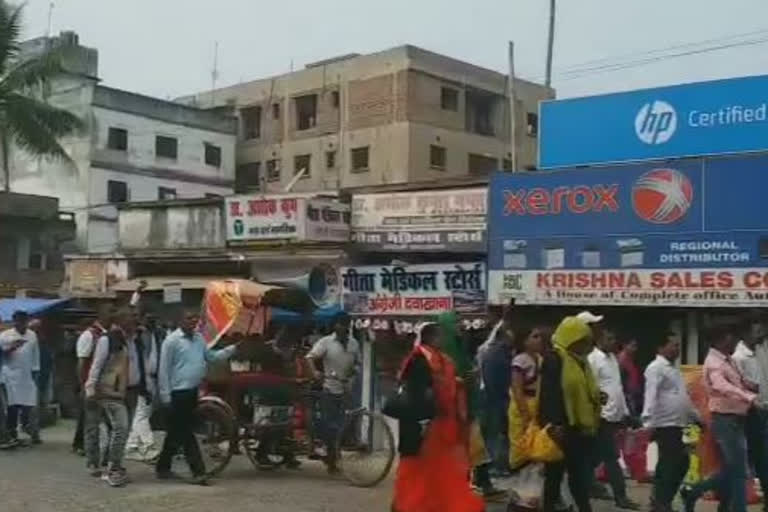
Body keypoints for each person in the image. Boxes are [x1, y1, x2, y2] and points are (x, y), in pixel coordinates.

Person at [391, 322, 485, 512]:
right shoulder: (423, 359)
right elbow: (417, 392)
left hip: (436, 426)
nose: (443, 339)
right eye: (439, 335)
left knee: (433, 470)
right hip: (429, 426)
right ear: (431, 337)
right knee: (427, 469)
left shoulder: (436, 359)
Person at [682, 325, 760, 512]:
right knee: (739, 472)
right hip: (726, 420)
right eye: (733, 337)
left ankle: (694, 492)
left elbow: (736, 382)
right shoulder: (714, 363)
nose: (736, 341)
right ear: (723, 339)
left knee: (731, 470)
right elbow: (722, 386)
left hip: (737, 419)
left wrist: (749, 386)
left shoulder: (728, 360)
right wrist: (749, 397)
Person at [156, 311, 238, 484]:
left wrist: (233, 349)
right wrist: (165, 396)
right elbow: (163, 370)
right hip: (177, 392)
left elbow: (213, 358)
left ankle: (163, 467)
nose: (193, 321)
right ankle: (198, 471)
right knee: (186, 433)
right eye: (189, 318)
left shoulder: (199, 339)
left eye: (195, 318)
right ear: (180, 321)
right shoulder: (171, 341)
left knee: (176, 431)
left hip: (193, 391)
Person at [439, 311, 503, 499]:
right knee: (460, 449)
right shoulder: (442, 350)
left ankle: (481, 482)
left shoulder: (460, 346)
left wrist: (471, 375)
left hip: (468, 404)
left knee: (476, 447)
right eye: (456, 322)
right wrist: (460, 379)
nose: (461, 326)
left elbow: (466, 368)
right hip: (452, 408)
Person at [539, 316, 600, 512]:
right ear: (572, 339)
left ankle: (584, 508)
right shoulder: (554, 359)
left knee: (578, 476)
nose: (586, 345)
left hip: (578, 428)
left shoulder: (582, 362)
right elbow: (549, 395)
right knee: (554, 477)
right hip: (560, 428)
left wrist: (597, 399)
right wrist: (553, 425)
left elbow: (582, 391)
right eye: (582, 341)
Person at [642, 332, 698, 512]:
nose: (677, 349)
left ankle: (660, 500)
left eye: (678, 345)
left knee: (674, 463)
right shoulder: (655, 367)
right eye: (673, 345)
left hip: (677, 423)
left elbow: (683, 398)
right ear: (661, 348)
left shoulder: (673, 369)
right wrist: (647, 422)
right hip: (665, 424)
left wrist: (697, 418)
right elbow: (650, 395)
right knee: (673, 463)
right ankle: (661, 502)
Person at [587, 327, 641, 510]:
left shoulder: (612, 359)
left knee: (595, 457)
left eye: (613, 338)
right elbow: (591, 389)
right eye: (609, 338)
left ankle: (589, 485)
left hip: (615, 415)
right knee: (611, 457)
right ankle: (621, 496)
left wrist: (625, 413)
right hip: (601, 416)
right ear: (599, 339)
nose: (613, 342)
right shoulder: (593, 359)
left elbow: (617, 388)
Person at [306, 313, 360, 474]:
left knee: (344, 423)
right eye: (341, 324)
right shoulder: (326, 342)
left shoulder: (354, 344)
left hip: (346, 389)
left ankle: (335, 453)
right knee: (330, 425)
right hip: (329, 387)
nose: (344, 327)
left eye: (347, 324)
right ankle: (330, 456)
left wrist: (353, 375)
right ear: (335, 326)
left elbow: (357, 363)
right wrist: (315, 372)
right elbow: (309, 357)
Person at [84, 325, 131, 487]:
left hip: (116, 393)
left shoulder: (127, 342)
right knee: (100, 428)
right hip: (104, 392)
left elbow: (124, 371)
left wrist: (121, 392)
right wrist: (91, 389)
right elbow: (96, 366)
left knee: (118, 429)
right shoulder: (107, 340)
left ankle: (111, 464)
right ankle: (102, 465)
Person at [732, 319, 768, 511]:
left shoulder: (759, 351)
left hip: (763, 410)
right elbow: (740, 388)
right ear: (745, 333)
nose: (761, 334)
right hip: (750, 413)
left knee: (761, 459)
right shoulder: (739, 357)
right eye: (757, 331)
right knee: (750, 460)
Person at [477, 314, 514, 475]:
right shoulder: (496, 352)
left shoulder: (490, 350)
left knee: (495, 433)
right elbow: (494, 380)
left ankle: (496, 464)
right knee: (496, 433)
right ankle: (497, 465)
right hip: (495, 399)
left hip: (491, 398)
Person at [0, 311, 40, 446]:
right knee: (12, 406)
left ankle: (27, 428)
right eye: (18, 322)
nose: (21, 325)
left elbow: (35, 354)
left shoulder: (32, 335)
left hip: (27, 374)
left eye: (24, 322)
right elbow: (2, 355)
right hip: (10, 375)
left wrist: (36, 370)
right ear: (14, 322)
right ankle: (12, 434)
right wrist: (12, 347)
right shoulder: (5, 336)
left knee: (29, 404)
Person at [507, 325, 544, 470]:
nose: (539, 340)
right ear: (524, 342)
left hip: (537, 403)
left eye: (539, 336)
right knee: (521, 441)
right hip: (522, 405)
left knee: (536, 442)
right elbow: (517, 389)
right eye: (534, 337)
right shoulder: (520, 360)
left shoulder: (540, 358)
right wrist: (524, 413)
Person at [72, 312, 109, 454]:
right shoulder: (89, 336)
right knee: (86, 415)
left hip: (102, 381)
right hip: (89, 380)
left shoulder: (105, 334)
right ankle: (80, 444)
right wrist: (82, 384)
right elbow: (81, 362)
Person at [125, 315, 159, 461]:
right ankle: (147, 445)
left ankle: (131, 445)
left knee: (142, 413)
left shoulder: (149, 336)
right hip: (143, 380)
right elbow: (144, 363)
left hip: (149, 378)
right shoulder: (139, 338)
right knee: (142, 413)